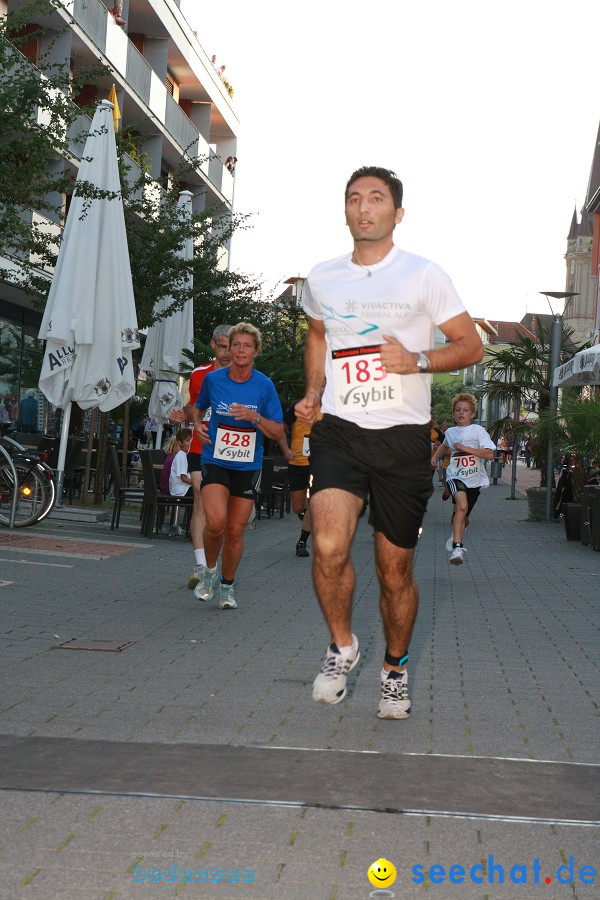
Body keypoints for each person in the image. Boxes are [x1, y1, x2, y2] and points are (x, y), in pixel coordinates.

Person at [295, 165, 483, 720]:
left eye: (376, 199)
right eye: (354, 199)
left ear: (396, 213)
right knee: (328, 546)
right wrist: (312, 390)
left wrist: (419, 360)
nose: (363, 208)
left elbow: (470, 345)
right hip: (341, 432)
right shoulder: (323, 277)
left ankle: (394, 671)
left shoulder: (425, 275)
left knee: (393, 569)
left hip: (402, 438)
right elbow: (318, 334)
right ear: (346, 210)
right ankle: (342, 645)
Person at [191, 322, 284, 610]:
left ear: (255, 351)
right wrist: (197, 426)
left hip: (247, 466)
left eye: (247, 346)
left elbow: (278, 431)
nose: (241, 350)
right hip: (215, 459)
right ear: (228, 349)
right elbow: (197, 406)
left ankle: (228, 586)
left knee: (234, 531)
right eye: (236, 345)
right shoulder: (214, 380)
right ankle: (208, 572)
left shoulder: (264, 386)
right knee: (216, 522)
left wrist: (253, 417)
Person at [170, 325, 233, 587]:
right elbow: (193, 406)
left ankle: (216, 564)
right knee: (200, 498)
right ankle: (200, 565)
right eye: (221, 346)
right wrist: (183, 415)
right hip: (201, 448)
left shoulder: (243, 376)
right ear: (213, 345)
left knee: (222, 514)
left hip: (230, 451)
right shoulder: (199, 375)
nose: (227, 352)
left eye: (231, 346)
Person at [431, 392, 495, 565]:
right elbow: (444, 446)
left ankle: (454, 535)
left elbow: (489, 454)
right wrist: (435, 458)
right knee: (461, 506)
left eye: (465, 410)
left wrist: (465, 448)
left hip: (474, 480)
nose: (461, 413)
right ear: (453, 414)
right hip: (455, 476)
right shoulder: (451, 432)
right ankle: (457, 548)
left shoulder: (478, 431)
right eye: (458, 410)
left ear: (472, 413)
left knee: (464, 516)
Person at [283, 397, 323, 557]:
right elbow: (282, 426)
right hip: (298, 462)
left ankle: (302, 542)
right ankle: (305, 513)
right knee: (298, 507)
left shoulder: (335, 408)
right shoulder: (298, 405)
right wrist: (286, 448)